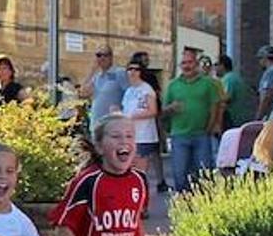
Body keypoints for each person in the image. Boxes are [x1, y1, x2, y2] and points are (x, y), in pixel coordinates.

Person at [161, 48, 224, 193]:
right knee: (179, 175)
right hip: (179, 135)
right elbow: (162, 112)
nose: (186, 66)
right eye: (183, 63)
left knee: (203, 174)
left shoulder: (208, 84)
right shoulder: (173, 85)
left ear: (196, 64)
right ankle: (183, 206)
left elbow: (215, 106)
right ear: (180, 66)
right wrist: (171, 108)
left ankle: (203, 206)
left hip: (201, 135)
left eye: (189, 62)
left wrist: (211, 127)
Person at [120, 61, 159, 213]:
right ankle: (132, 204)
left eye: (136, 69)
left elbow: (153, 110)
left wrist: (133, 115)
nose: (132, 72)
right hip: (130, 137)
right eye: (129, 69)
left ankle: (143, 206)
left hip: (144, 136)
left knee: (140, 174)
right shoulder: (129, 91)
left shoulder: (146, 89)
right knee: (128, 173)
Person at [78, 46, 127, 130]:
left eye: (105, 55)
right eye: (99, 55)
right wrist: (92, 70)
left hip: (113, 126)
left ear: (111, 57)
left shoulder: (120, 73)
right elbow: (82, 93)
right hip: (96, 125)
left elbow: (130, 94)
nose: (102, 58)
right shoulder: (97, 76)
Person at [217, 54, 255, 129]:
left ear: (222, 65)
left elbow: (226, 98)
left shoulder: (228, 79)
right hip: (243, 119)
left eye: (216, 65)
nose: (215, 68)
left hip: (232, 119)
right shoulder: (236, 77)